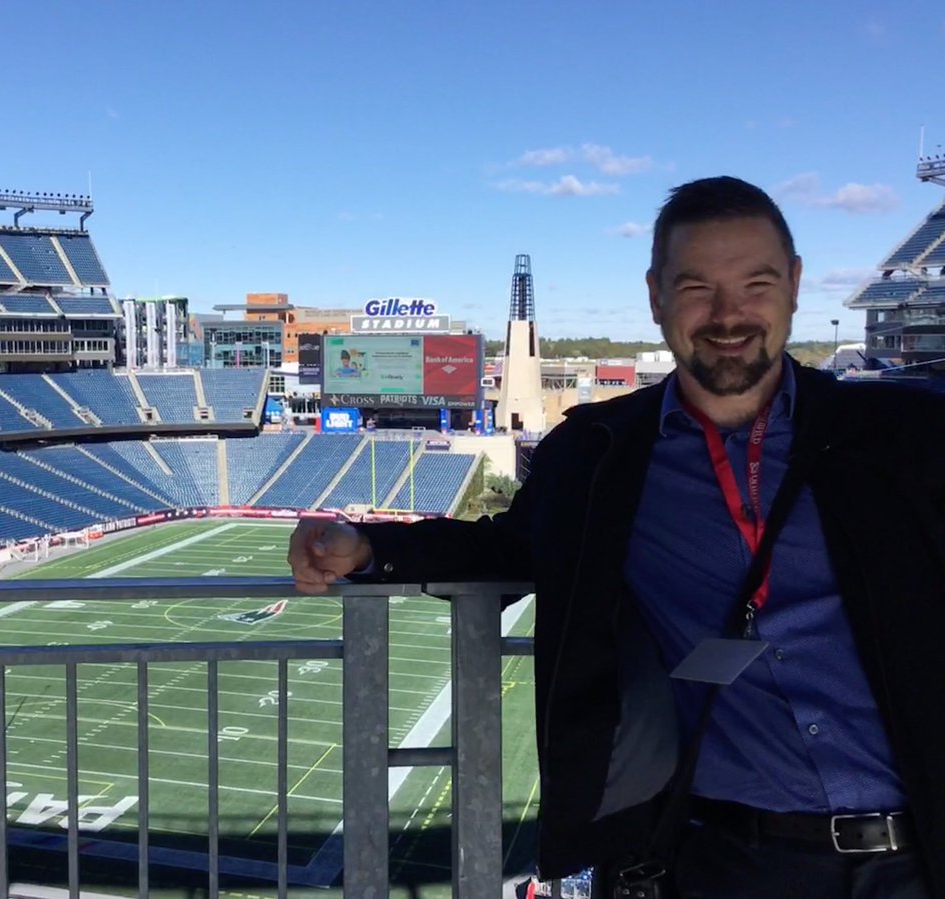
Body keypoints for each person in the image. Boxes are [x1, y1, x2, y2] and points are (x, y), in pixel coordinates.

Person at [288, 176, 945, 898]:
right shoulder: (600, 455)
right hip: (729, 859)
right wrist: (367, 545)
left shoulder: (903, 435)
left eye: (755, 282)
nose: (728, 314)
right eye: (696, 286)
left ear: (793, 284)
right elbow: (507, 548)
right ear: (656, 296)